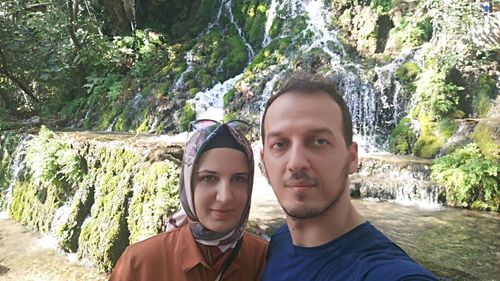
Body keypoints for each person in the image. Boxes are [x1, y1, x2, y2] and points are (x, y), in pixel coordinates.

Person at [259, 72, 438, 281]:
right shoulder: (281, 241)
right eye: (279, 145)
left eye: (318, 141)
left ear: (352, 158)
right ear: (264, 162)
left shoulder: (389, 273)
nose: (296, 162)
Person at [109, 119, 267, 281]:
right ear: (188, 184)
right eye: (209, 178)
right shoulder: (140, 263)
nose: (225, 197)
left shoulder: (267, 259)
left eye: (239, 179)